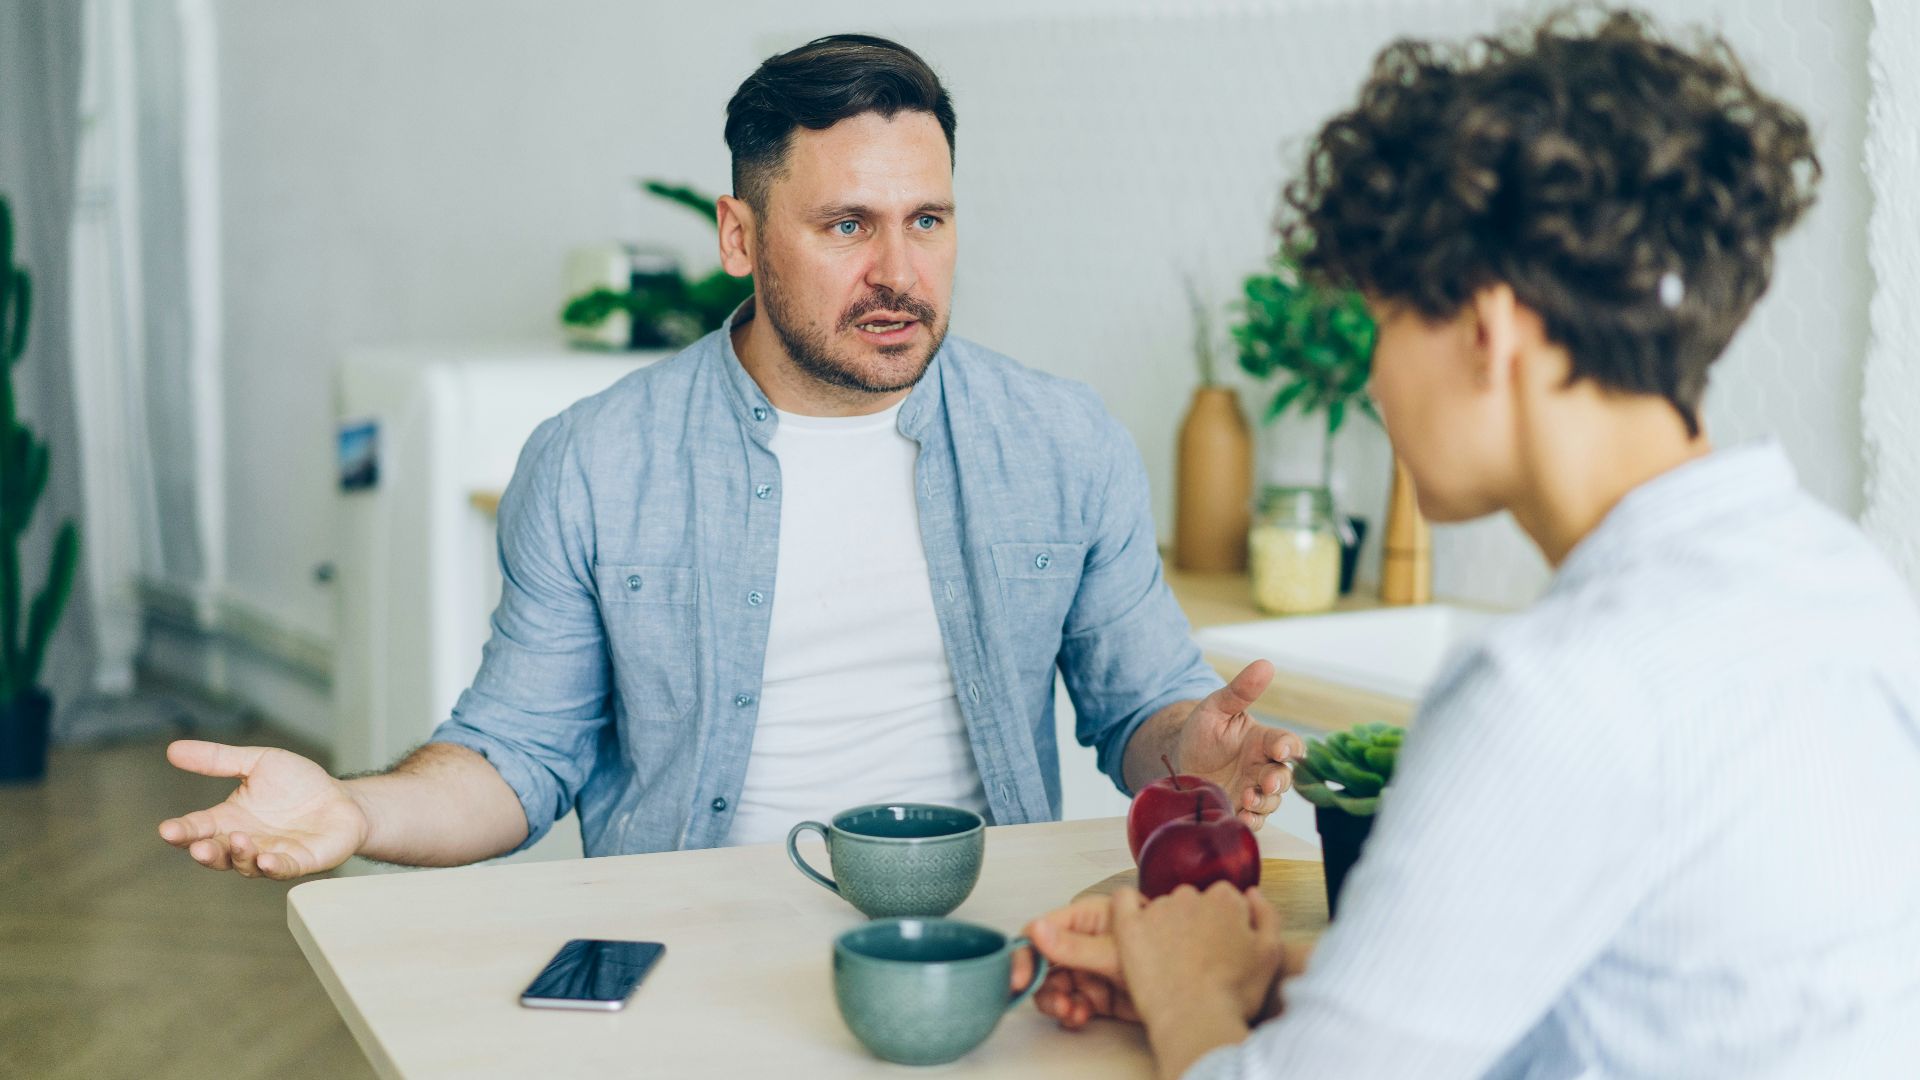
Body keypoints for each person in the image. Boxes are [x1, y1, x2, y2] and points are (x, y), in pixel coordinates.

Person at [157, 34, 1305, 880]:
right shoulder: (597, 463)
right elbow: (516, 758)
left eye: (929, 221)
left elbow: (1139, 711)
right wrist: (356, 811)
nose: (900, 274)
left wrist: (1192, 747)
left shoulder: (1062, 443)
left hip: (978, 943)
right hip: (684, 944)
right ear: (740, 235)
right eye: (847, 226)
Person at [1020, 9, 1920, 1078]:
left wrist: (1193, 989)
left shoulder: (1556, 691)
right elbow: (1655, 994)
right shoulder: (1843, 583)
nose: (1373, 378)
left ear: (1486, 333)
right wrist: (1282, 993)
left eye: (1384, 321)